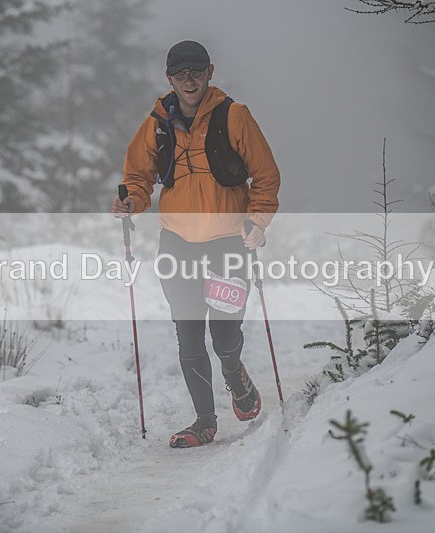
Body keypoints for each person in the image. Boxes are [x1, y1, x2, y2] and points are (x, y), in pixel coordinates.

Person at [111, 40, 280, 448]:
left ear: (210, 72)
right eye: (180, 74)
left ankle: (234, 372)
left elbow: (266, 177)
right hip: (178, 244)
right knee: (188, 336)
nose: (189, 80)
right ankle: (204, 422)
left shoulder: (234, 116)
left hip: (228, 244)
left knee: (223, 335)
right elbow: (138, 177)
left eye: (196, 72)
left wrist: (257, 222)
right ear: (169, 78)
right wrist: (131, 201)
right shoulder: (157, 123)